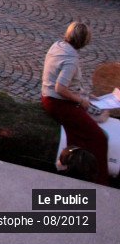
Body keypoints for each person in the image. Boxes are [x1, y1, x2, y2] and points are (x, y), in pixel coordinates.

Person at [40, 22, 109, 185]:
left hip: (49, 98)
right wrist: (81, 101)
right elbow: (60, 88)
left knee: (83, 131)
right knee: (99, 137)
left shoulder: (57, 46)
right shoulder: (71, 59)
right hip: (58, 103)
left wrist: (82, 93)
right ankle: (99, 180)